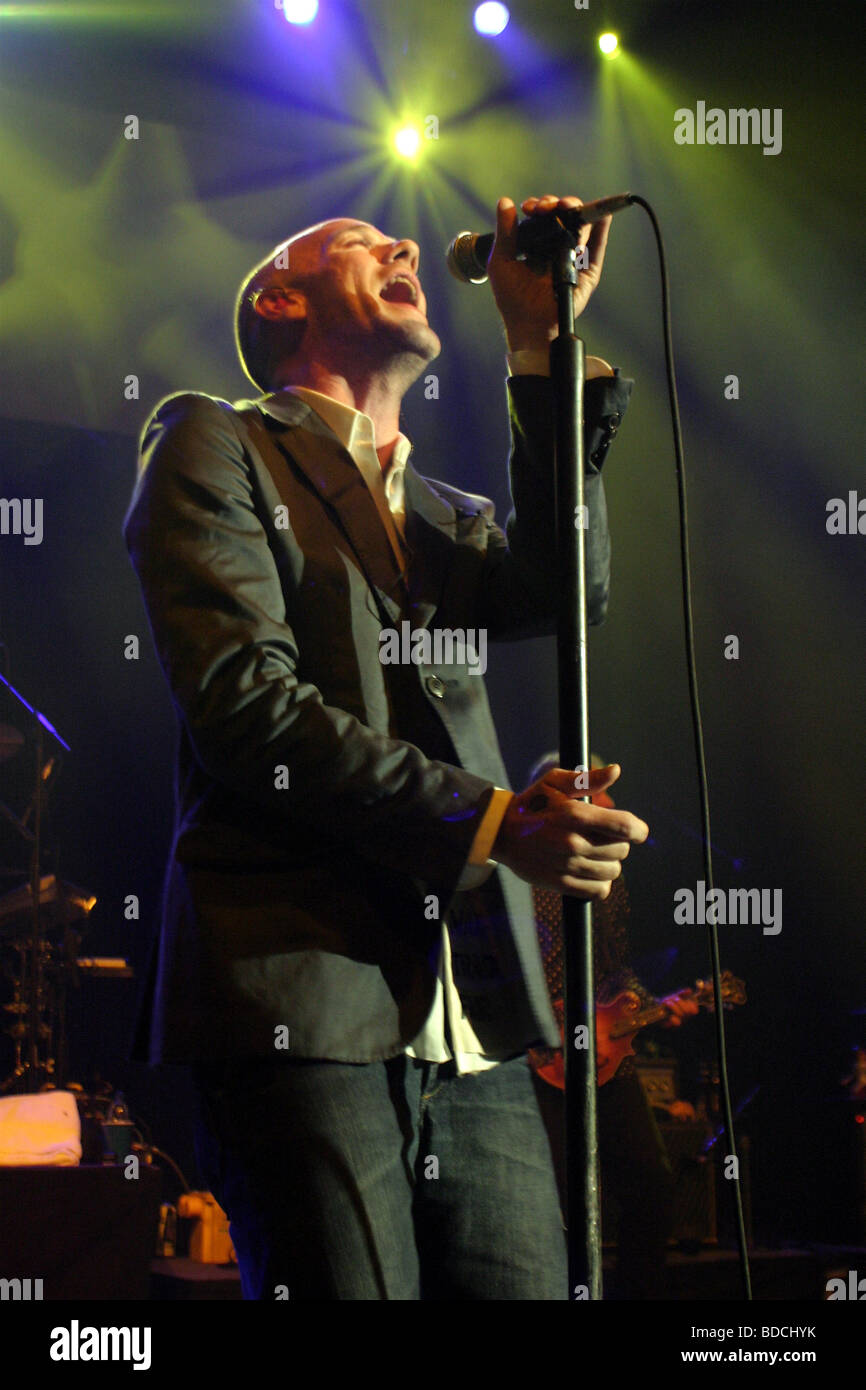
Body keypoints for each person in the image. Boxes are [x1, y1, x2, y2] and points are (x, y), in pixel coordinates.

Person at [123, 192, 644, 1300]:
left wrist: (538, 343)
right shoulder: (216, 440)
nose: (405, 244)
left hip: (470, 1016)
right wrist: (494, 818)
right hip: (304, 1003)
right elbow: (245, 709)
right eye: (359, 243)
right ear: (281, 299)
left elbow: (571, 589)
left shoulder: (445, 513)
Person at [526, 751, 699, 1298]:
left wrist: (653, 1005)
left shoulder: (611, 879)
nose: (612, 803)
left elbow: (615, 968)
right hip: (538, 1059)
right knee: (551, 1198)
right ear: (568, 797)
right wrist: (545, 1025)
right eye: (600, 792)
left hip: (603, 1059)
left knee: (651, 1185)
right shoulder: (520, 868)